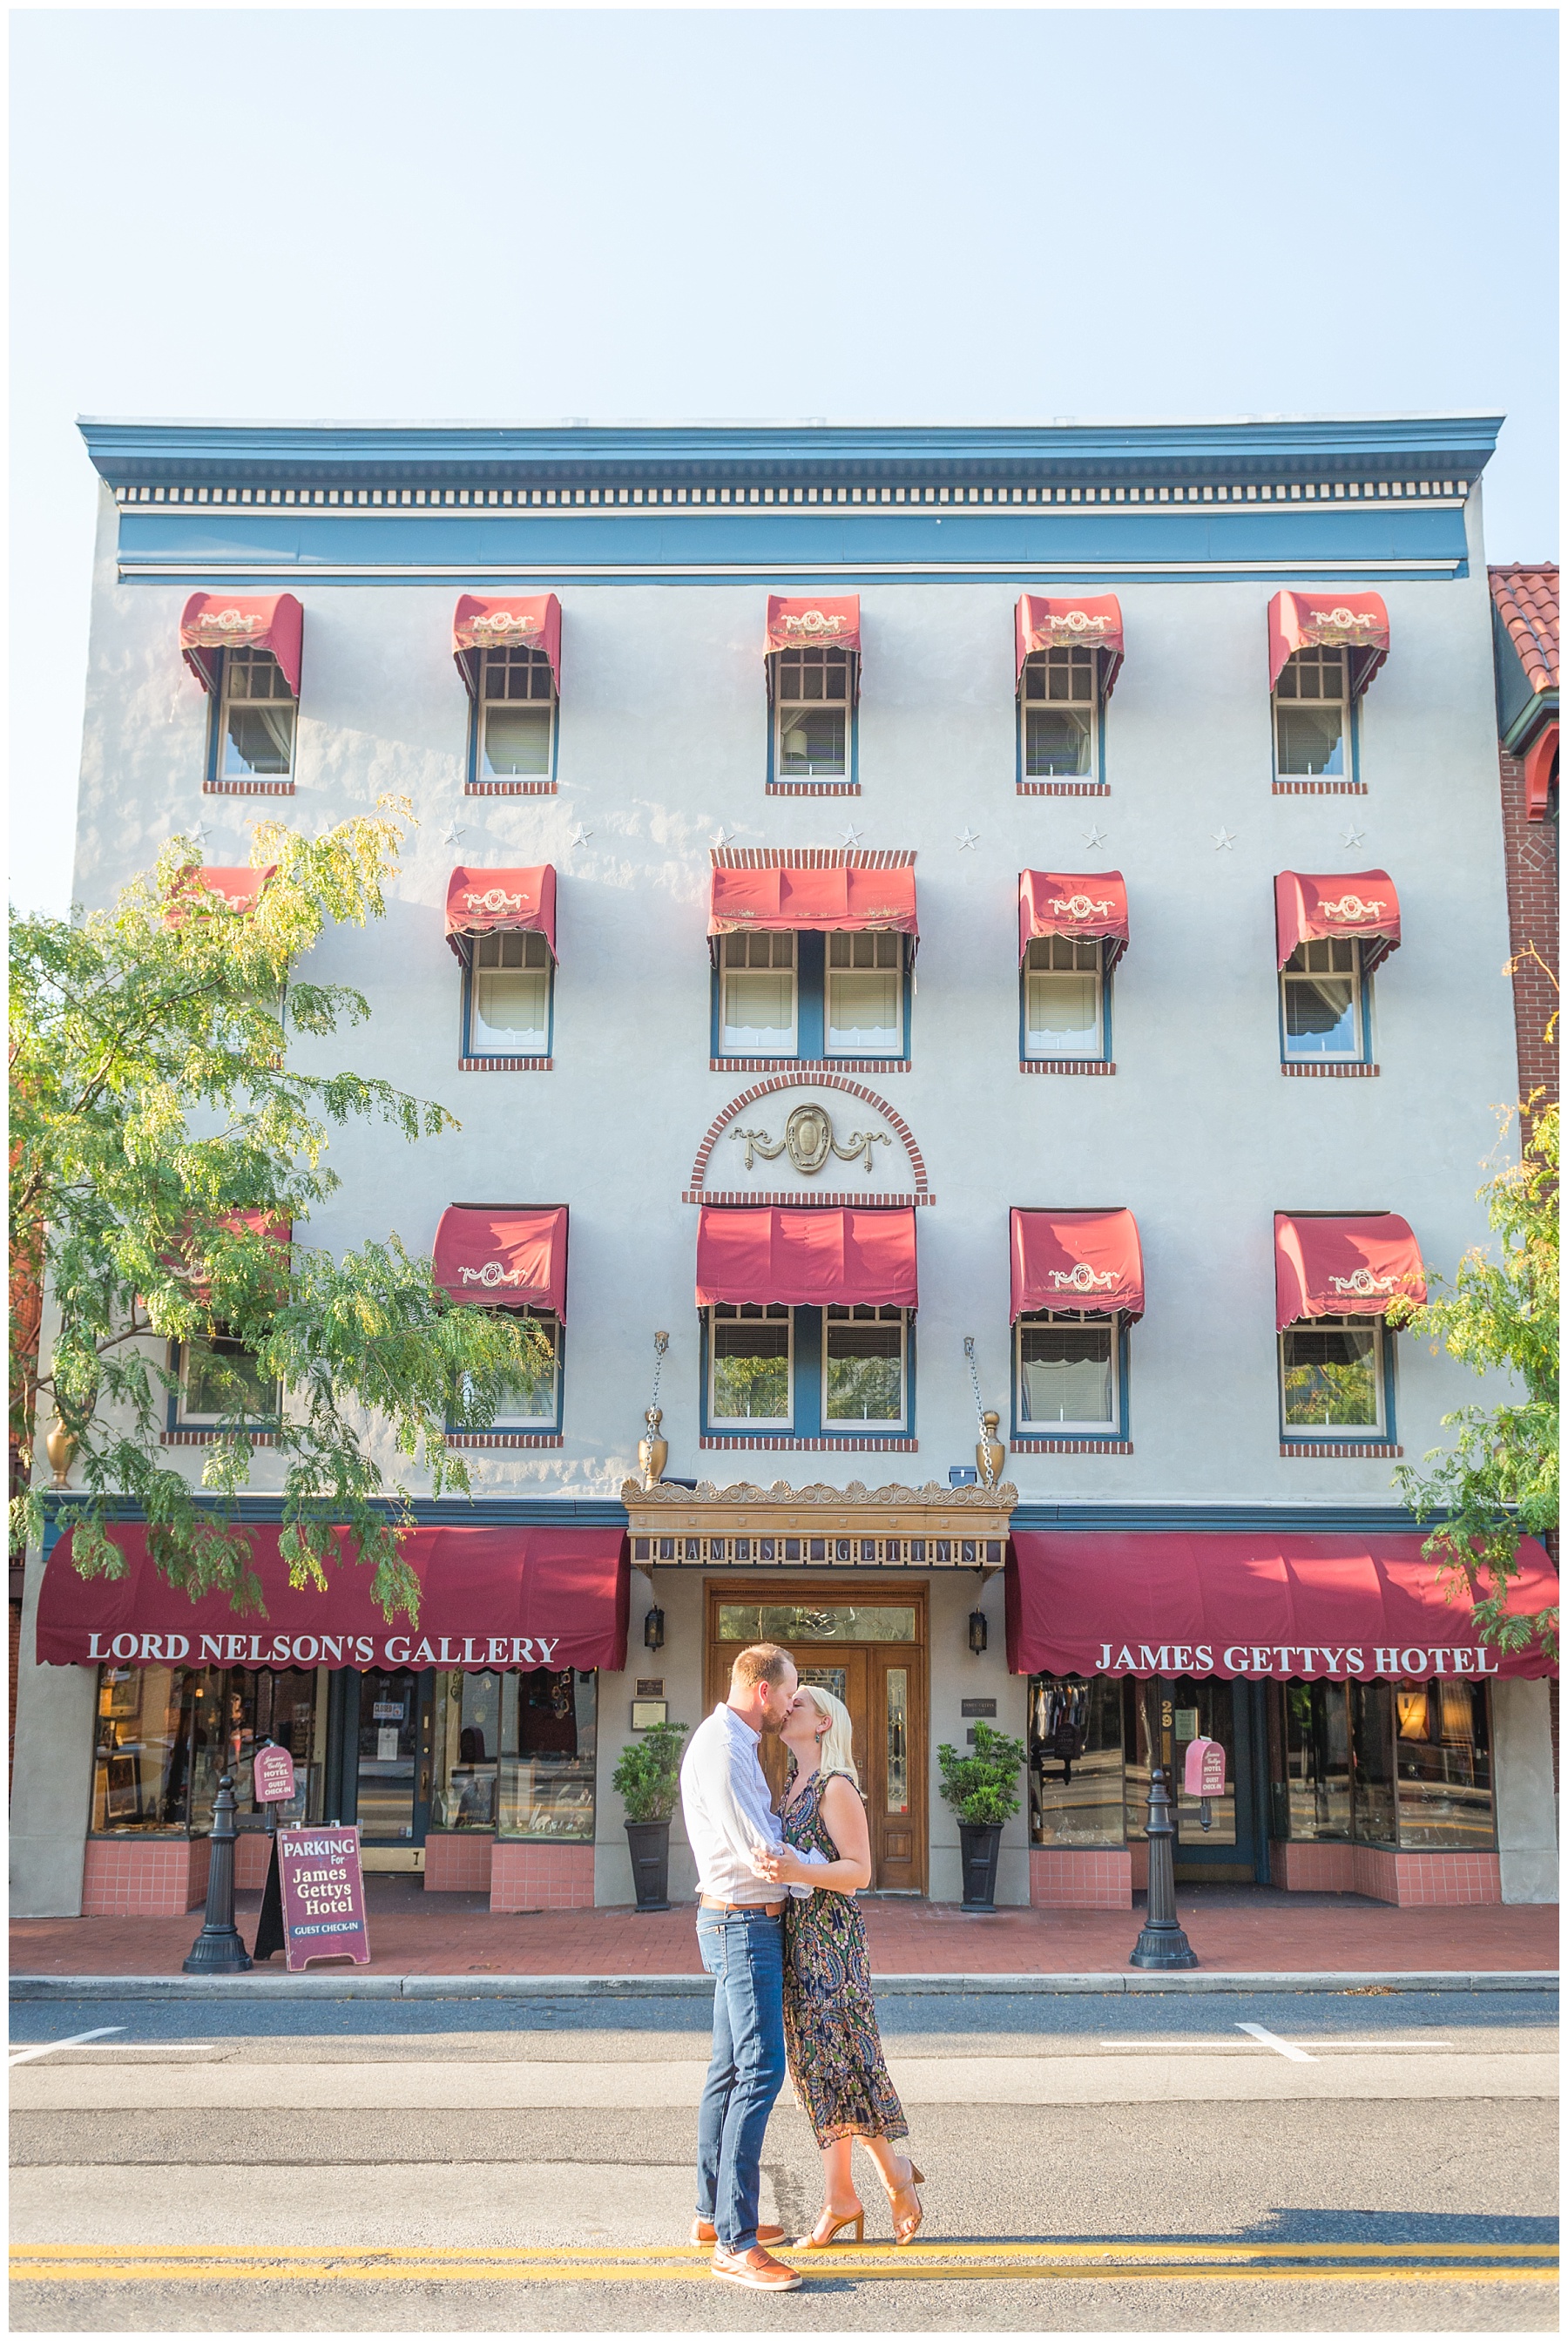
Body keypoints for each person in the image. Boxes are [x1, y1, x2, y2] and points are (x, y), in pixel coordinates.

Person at [751, 1684, 925, 2249]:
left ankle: (859, 2190)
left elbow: (859, 1872)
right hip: (798, 1939)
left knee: (840, 2063)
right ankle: (869, 2184)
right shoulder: (792, 1784)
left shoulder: (836, 1785)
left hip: (832, 1941)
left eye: (798, 1703)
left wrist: (796, 1869)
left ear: (824, 1723)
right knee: (817, 2069)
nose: (787, 1708)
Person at [679, 1641, 825, 2293]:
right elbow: (762, 1849)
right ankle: (735, 2241)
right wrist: (826, 1874)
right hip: (742, 1924)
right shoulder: (725, 1747)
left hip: (736, 1920)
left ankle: (712, 2215)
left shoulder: (731, 1742)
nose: (791, 1705)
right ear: (763, 1689)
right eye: (789, 1693)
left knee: (729, 2069)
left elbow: (760, 1837)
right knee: (761, 2067)